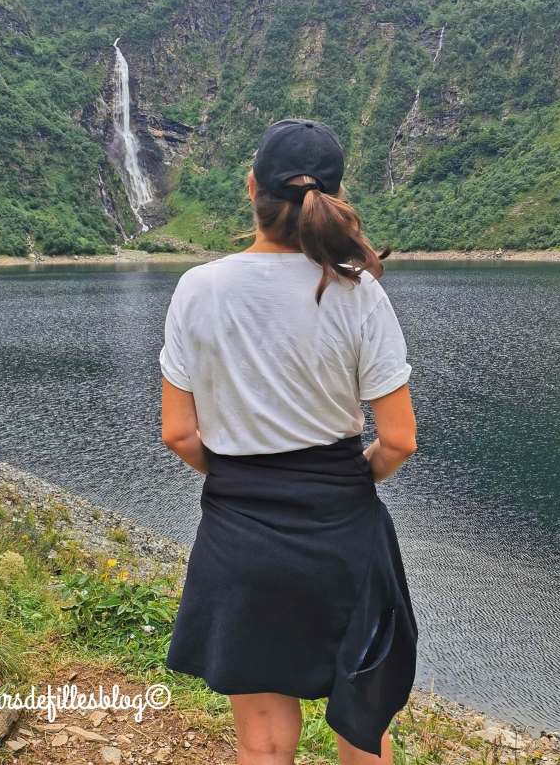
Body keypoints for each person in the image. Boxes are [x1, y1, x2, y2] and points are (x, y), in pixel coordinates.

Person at [158, 118, 419, 765]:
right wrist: (346, 479)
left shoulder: (199, 288)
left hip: (241, 538)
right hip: (342, 537)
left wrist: (241, 482)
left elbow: (178, 432)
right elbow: (398, 440)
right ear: (331, 196)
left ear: (251, 187)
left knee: (264, 742)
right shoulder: (358, 291)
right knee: (362, 731)